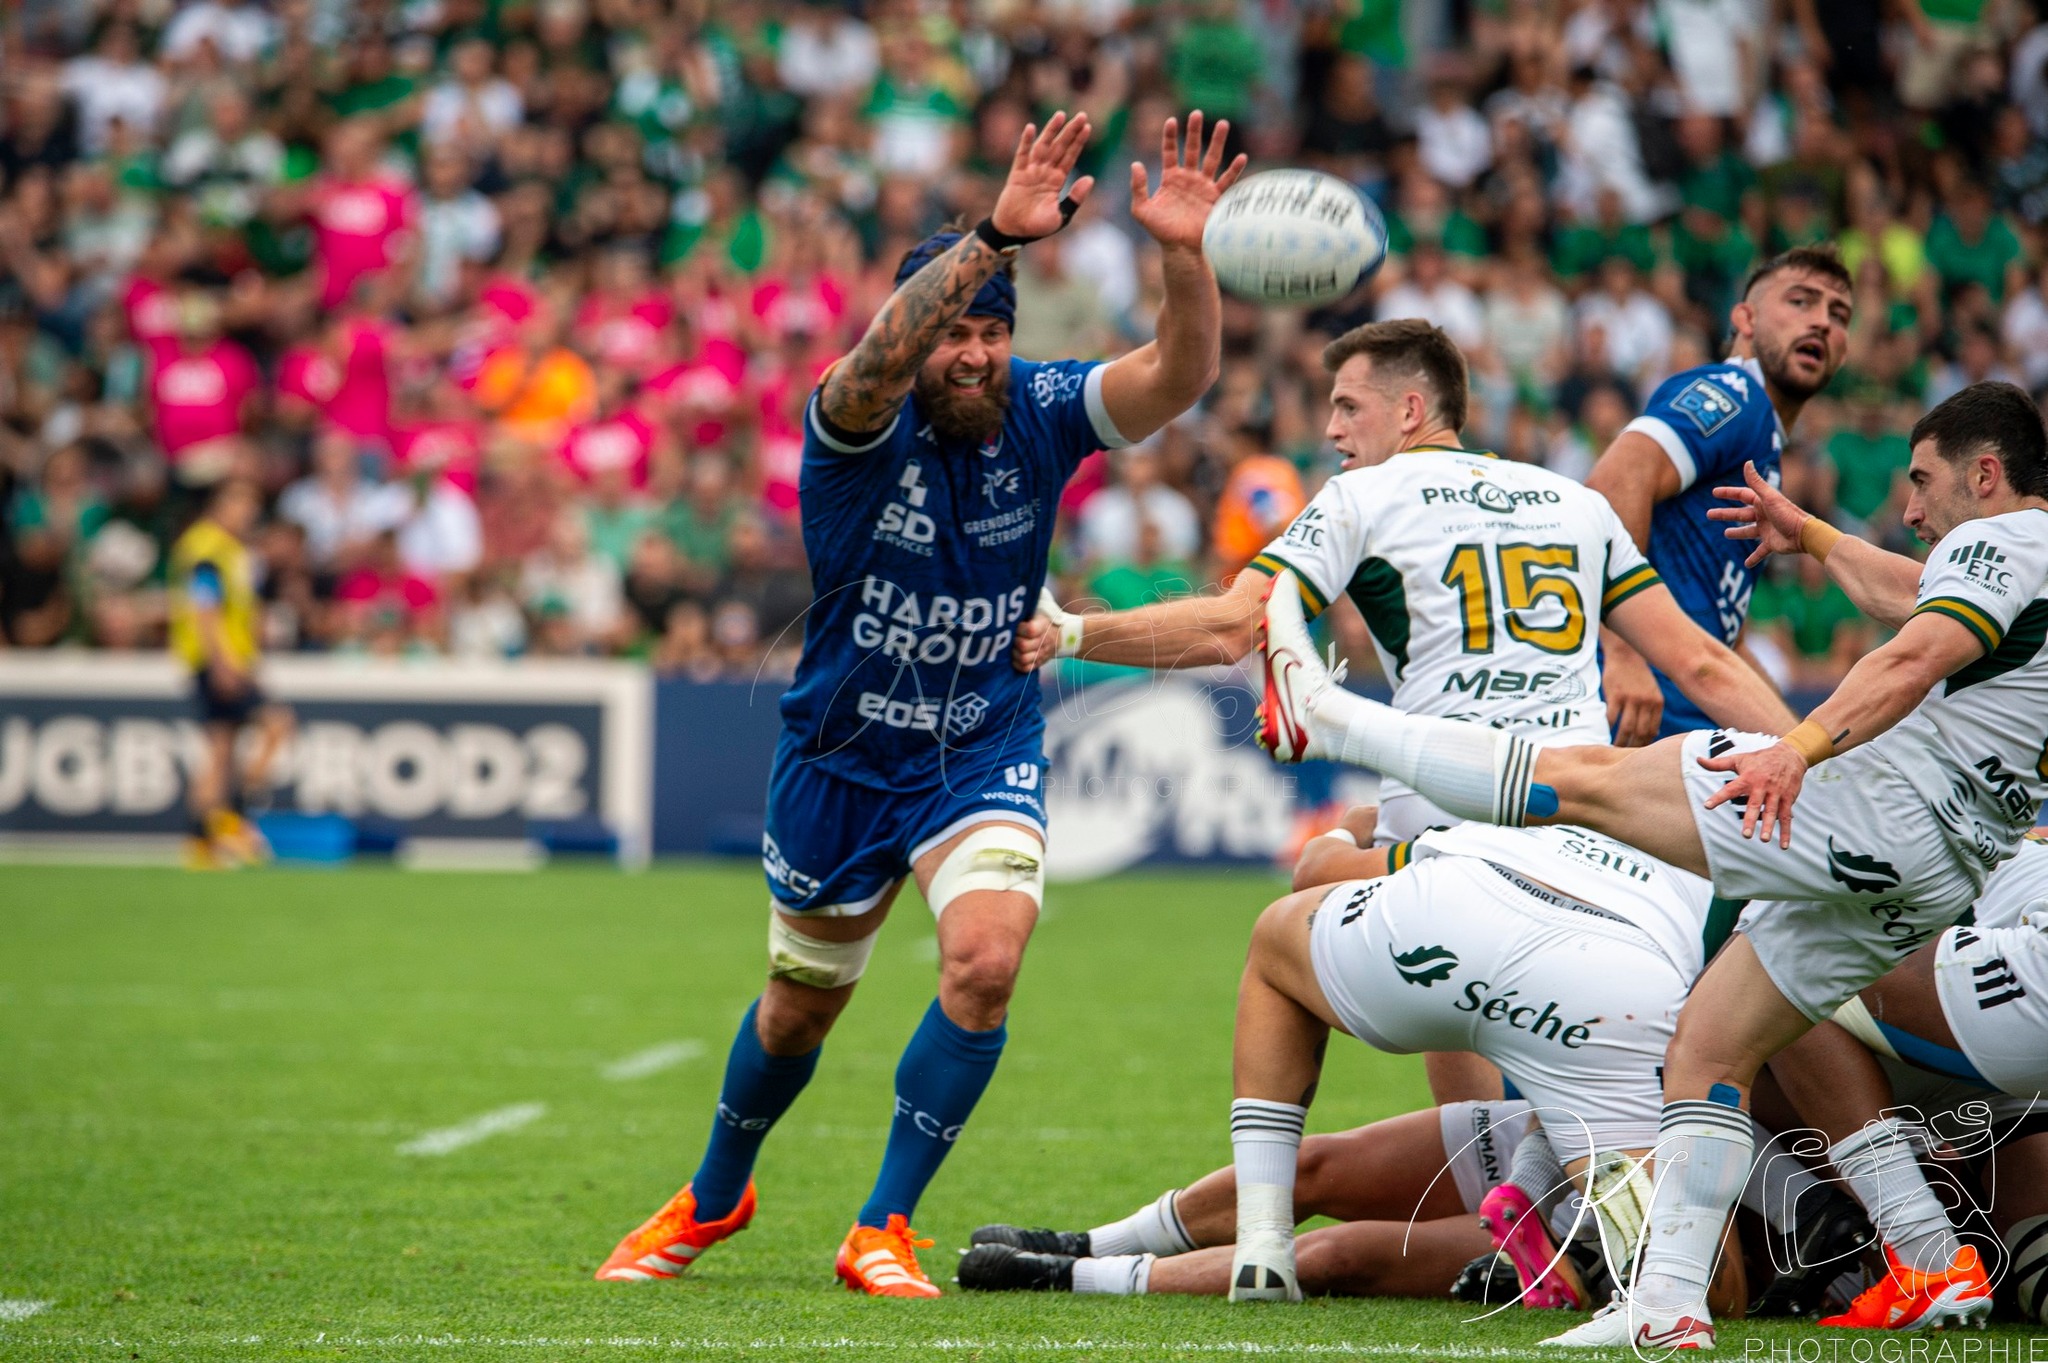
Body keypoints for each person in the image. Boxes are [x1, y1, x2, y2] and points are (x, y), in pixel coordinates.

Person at [594, 110, 1248, 1297]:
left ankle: (880, 1224)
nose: (975, 353)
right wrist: (992, 237)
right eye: (954, 331)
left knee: (985, 963)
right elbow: (871, 360)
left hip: (977, 748)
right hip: (839, 760)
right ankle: (715, 1192)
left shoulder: (1040, 408)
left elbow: (1178, 376)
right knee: (797, 1012)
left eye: (992, 332)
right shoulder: (854, 426)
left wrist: (1183, 258)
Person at [1252, 380, 2048, 1345]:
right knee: (1710, 1042)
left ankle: (1334, 719)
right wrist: (1812, 535)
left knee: (1582, 780)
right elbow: (1907, 596)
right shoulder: (2025, 563)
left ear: (1986, 473)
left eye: (1922, 481)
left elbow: (1909, 656)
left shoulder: (2006, 539)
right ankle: (1781, 1285)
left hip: (1870, 812)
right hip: (1944, 863)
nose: (1912, 509)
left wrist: (1796, 748)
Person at [1014, 318, 1796, 848]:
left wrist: (1071, 633)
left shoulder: (1362, 496)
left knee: (1301, 905)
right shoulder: (1573, 502)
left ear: (1411, 409)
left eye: (1348, 406)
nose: (1331, 428)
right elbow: (1703, 662)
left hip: (1450, 817)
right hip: (1580, 820)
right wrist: (1812, 759)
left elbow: (1231, 626)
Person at [1589, 247, 1853, 746]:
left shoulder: (1763, 449)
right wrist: (1622, 652)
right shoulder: (1735, 393)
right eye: (1801, 301)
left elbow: (1727, 642)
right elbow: (1617, 479)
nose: (1822, 321)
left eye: (1838, 314)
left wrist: (1804, 744)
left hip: (1679, 728)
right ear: (1745, 319)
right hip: (1635, 719)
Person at [166, 478, 291, 869]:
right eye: (241, 503)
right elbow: (205, 608)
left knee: (220, 751)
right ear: (219, 504)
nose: (248, 513)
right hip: (219, 662)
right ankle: (234, 817)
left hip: (230, 659)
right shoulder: (206, 548)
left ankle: (200, 841)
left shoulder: (231, 549)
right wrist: (222, 662)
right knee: (277, 725)